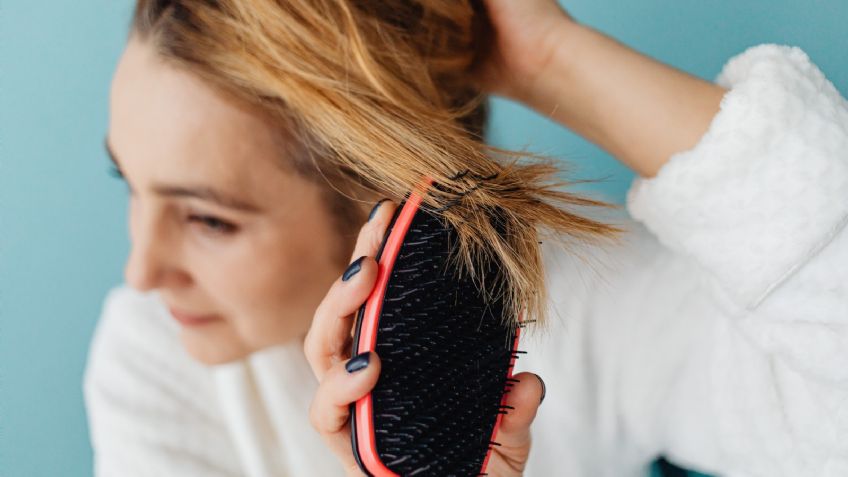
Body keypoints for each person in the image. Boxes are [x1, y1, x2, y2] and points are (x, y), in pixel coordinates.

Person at [82, 0, 848, 476]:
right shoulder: (151, 353)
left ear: (382, 205)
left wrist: (553, 64)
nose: (140, 270)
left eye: (208, 218)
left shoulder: (594, 307)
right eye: (130, 185)